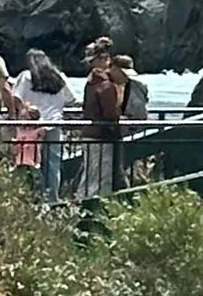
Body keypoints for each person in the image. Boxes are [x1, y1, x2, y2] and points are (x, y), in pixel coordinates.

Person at [10, 49, 70, 203]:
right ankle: (52, 200)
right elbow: (71, 99)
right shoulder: (59, 77)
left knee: (27, 162)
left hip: (31, 127)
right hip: (53, 124)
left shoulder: (26, 76)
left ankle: (31, 198)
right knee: (52, 164)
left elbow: (16, 97)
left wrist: (23, 111)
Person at [81, 42, 129, 197]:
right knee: (102, 176)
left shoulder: (91, 82)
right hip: (102, 135)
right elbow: (110, 113)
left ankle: (80, 203)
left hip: (90, 133)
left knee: (90, 174)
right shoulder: (106, 86)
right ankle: (94, 205)